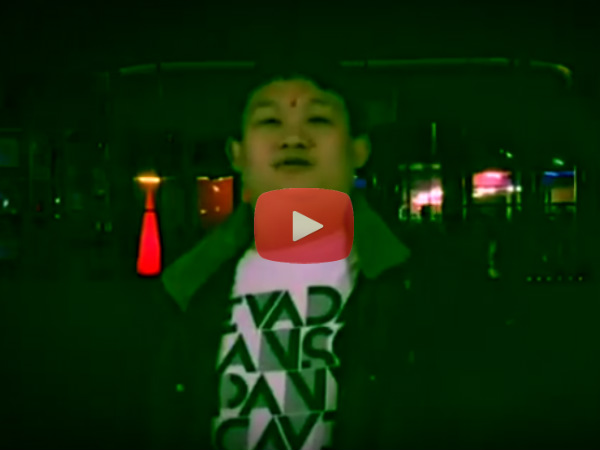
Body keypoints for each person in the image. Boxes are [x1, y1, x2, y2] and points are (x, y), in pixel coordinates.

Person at [144, 62, 518, 450]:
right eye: (270, 121)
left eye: (318, 119)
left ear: (359, 149)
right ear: (236, 153)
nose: (293, 138)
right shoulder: (187, 288)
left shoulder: (432, 286)